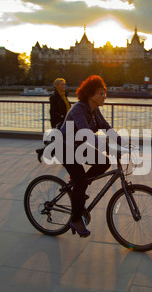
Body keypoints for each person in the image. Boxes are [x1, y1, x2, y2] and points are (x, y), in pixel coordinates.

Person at [58, 75, 128, 238]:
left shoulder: (95, 110)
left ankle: (78, 186)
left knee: (103, 162)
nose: (104, 96)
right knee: (81, 180)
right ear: (90, 94)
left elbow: (106, 128)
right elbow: (87, 134)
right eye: (100, 93)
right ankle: (75, 219)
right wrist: (108, 147)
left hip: (77, 146)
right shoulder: (78, 109)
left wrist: (125, 144)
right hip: (62, 146)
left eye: (105, 93)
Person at [36, 78, 70, 162]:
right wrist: (57, 121)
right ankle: (47, 152)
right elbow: (53, 111)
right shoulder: (54, 97)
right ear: (57, 86)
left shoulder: (64, 95)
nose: (64, 86)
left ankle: (43, 151)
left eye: (64, 84)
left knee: (61, 139)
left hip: (66, 120)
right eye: (62, 84)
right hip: (59, 121)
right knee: (60, 139)